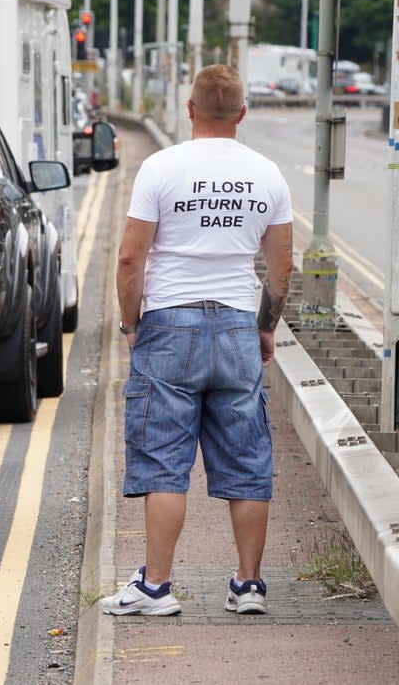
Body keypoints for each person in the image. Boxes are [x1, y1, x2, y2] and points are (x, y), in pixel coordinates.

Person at [101, 64, 293, 617]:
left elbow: (130, 258)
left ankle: (157, 587)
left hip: (169, 325)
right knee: (246, 461)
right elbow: (281, 267)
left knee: (163, 462)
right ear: (242, 113)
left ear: (189, 109)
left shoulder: (162, 168)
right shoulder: (267, 174)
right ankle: (249, 586)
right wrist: (264, 327)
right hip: (236, 325)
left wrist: (131, 324)